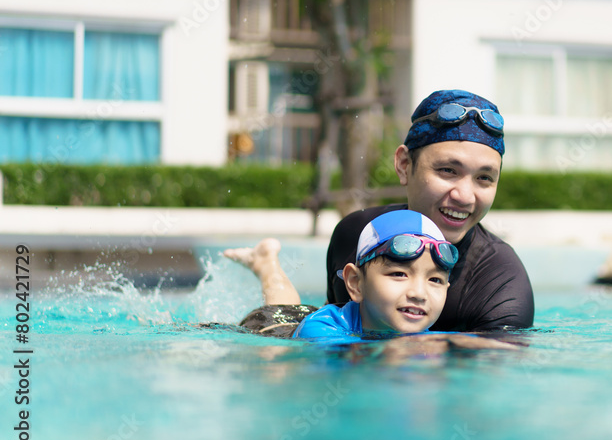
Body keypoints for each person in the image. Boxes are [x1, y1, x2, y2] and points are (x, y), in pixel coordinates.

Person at [325, 89, 534, 332]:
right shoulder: (357, 235)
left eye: (484, 178)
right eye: (447, 170)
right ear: (404, 165)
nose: (465, 197)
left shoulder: (499, 285)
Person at [226, 209, 512, 350]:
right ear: (355, 283)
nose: (419, 293)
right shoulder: (321, 333)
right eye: (399, 274)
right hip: (273, 326)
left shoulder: (420, 330)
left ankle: (265, 259)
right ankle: (266, 265)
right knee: (283, 304)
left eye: (435, 280)